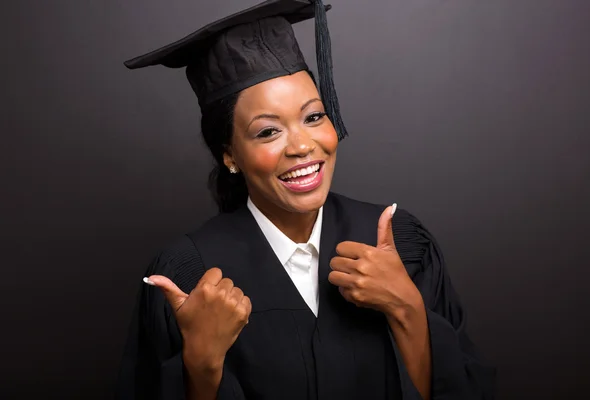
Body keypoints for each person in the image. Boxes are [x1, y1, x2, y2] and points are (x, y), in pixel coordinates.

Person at [115, 1, 496, 399]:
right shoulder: (190, 276)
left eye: (313, 117)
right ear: (229, 154)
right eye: (267, 132)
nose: (301, 146)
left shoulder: (401, 247)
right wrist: (202, 364)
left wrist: (408, 310)